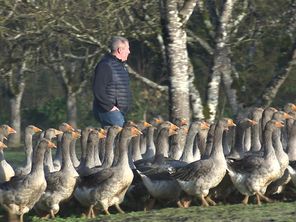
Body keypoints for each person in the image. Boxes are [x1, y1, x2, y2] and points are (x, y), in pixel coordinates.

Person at [92, 36, 132, 127]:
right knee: (120, 138)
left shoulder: (120, 66)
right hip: (108, 111)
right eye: (127, 49)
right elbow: (98, 89)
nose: (129, 52)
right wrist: (110, 107)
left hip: (117, 111)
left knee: (114, 140)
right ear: (120, 50)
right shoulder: (106, 65)